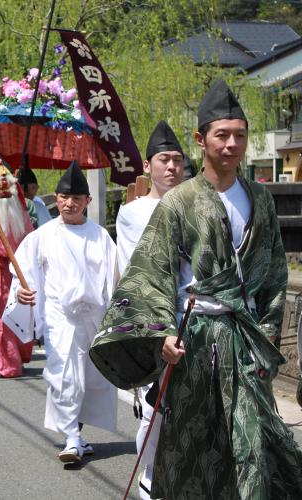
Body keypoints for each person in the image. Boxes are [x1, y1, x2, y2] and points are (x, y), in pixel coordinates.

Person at [90, 79, 302, 498]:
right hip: (194, 339)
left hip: (244, 339)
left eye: (240, 135)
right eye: (222, 134)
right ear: (201, 140)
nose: (232, 143)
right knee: (193, 447)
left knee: (252, 445)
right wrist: (162, 333)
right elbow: (150, 273)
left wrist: (267, 338)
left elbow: (274, 275)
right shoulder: (178, 203)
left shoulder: (261, 199)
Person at [12, 160, 117, 463]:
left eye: (76, 199)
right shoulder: (42, 236)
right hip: (60, 316)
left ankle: (77, 433)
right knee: (64, 376)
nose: (69, 203)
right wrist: (22, 292)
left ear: (88, 201)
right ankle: (71, 437)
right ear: (56, 198)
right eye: (64, 197)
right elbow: (24, 273)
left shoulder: (100, 237)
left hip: (94, 317)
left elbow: (114, 280)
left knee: (89, 378)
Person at [114, 120, 185, 499]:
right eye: (163, 160)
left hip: (194, 318)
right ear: (148, 167)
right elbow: (137, 272)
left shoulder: (199, 204)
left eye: (177, 160)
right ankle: (150, 475)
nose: (171, 167)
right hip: (153, 319)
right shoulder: (133, 213)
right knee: (155, 406)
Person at [0, 165, 35, 378]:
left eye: (8, 189)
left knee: (15, 315)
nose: (4, 194)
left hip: (18, 272)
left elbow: (31, 244)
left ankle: (14, 358)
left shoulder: (23, 214)